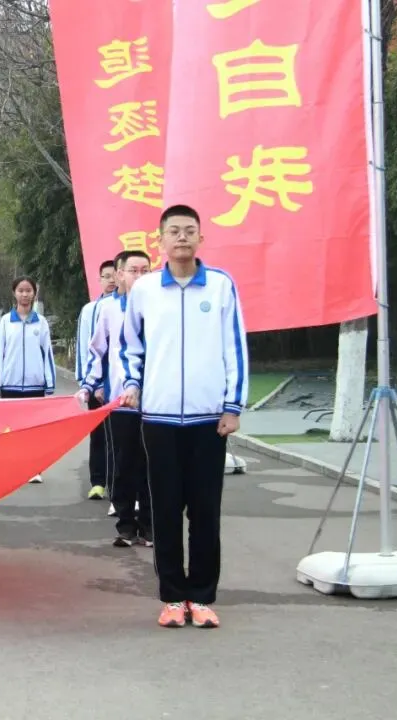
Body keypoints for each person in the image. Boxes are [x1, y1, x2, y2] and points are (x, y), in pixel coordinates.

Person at [119, 204, 249, 629]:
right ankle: (173, 597)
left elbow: (236, 350)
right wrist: (132, 386)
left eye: (189, 231)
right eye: (173, 231)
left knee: (206, 511)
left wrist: (233, 406)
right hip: (157, 418)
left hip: (208, 419)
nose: (181, 238)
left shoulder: (221, 287)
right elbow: (130, 346)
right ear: (160, 241)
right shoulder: (144, 291)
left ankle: (203, 596)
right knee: (166, 510)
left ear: (200, 238)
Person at [80, 251, 153, 548]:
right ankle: (125, 524)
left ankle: (150, 526)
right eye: (133, 270)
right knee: (123, 464)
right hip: (120, 400)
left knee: (151, 465)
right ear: (119, 274)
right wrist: (91, 385)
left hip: (155, 401)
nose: (139, 275)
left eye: (145, 269)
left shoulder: (160, 307)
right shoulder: (107, 309)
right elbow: (97, 350)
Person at [0, 276, 56, 484]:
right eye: (21, 290)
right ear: (14, 293)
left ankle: (35, 468)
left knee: (33, 430)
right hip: (9, 384)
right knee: (11, 429)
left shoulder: (41, 322)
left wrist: (49, 381)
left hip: (34, 385)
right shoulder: (5, 322)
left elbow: (47, 353)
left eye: (28, 290)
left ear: (34, 293)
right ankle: (13, 467)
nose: (25, 294)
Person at [76, 260, 118, 504]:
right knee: (99, 436)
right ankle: (98, 482)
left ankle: (117, 484)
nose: (111, 280)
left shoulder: (129, 306)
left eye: (115, 275)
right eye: (106, 276)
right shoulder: (90, 310)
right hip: (96, 386)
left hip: (121, 387)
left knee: (120, 439)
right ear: (99, 280)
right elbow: (86, 348)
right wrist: (90, 384)